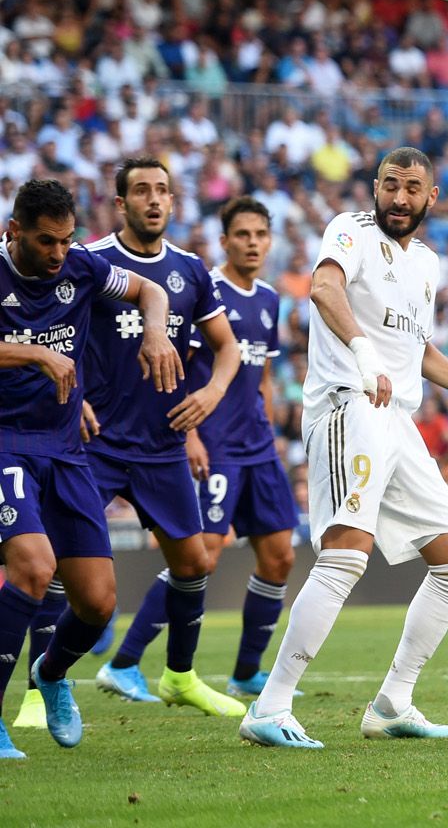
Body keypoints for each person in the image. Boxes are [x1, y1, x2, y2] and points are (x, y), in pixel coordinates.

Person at [238, 148, 448, 750]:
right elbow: (324, 289)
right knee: (347, 555)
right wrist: (364, 353)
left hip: (397, 418)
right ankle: (270, 706)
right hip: (349, 404)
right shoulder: (349, 231)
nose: (399, 198)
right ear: (375, 186)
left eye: (412, 188)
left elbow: (420, 352)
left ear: (432, 198)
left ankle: (392, 702)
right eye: (390, 185)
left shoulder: (427, 263)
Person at [0, 179, 179, 758]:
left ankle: (51, 674)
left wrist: (155, 332)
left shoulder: (81, 266)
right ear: (13, 232)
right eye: (46, 242)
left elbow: (151, 290)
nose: (58, 253)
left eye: (66, 240)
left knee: (98, 602)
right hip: (6, 444)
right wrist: (36, 353)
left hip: (64, 449)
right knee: (34, 566)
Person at [102, 197, 300, 698]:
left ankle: (246, 673)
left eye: (261, 234)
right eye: (243, 235)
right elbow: (181, 367)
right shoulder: (203, 289)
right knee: (201, 557)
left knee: (279, 556)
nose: (253, 243)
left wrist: (271, 433)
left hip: (257, 446)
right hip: (214, 444)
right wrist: (189, 435)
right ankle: (124, 662)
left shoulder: (269, 298)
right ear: (224, 241)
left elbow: (262, 374)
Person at [78, 157, 246, 719]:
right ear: (120, 203)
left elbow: (227, 347)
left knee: (194, 564)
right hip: (96, 442)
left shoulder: (190, 270)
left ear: (173, 201)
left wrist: (212, 393)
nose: (154, 199)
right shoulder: (91, 262)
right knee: (54, 565)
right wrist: (72, 398)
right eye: (142, 190)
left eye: (162, 191)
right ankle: (36, 689)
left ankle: (180, 676)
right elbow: (57, 334)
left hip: (162, 444)